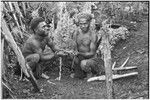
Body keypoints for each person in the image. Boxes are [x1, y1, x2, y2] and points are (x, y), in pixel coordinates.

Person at [72, 13, 104, 79]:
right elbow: (75, 47)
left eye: (85, 24)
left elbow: (92, 53)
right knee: (74, 60)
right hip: (81, 57)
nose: (83, 26)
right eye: (81, 24)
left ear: (89, 23)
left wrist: (79, 53)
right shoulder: (76, 33)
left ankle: (91, 73)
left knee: (83, 63)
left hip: (91, 58)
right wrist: (74, 52)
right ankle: (80, 72)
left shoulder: (92, 35)